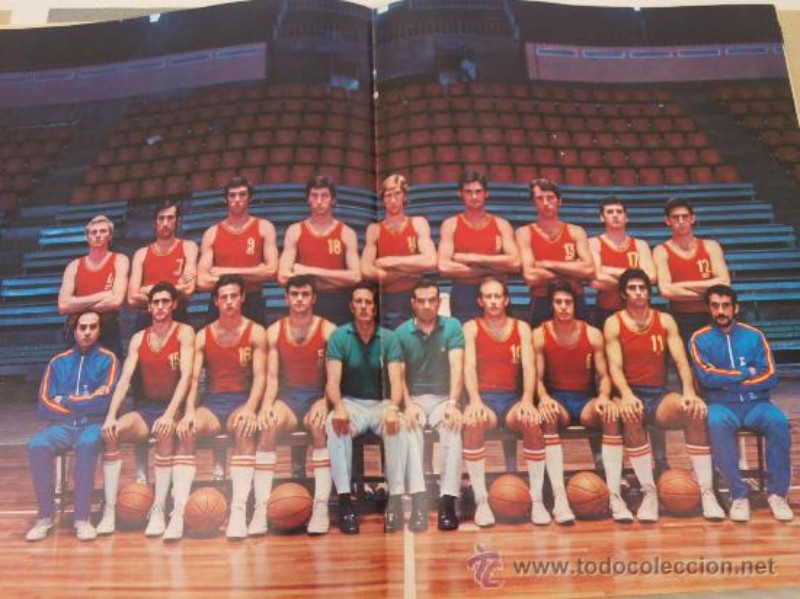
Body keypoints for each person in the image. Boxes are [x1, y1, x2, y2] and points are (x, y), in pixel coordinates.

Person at [604, 268, 725, 522]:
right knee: (632, 414)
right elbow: (614, 367)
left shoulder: (665, 320)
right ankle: (649, 492)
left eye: (642, 288)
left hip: (657, 394)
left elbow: (681, 361)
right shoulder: (614, 322)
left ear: (649, 293)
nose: (638, 293)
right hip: (628, 393)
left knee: (693, 410)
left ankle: (707, 491)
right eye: (632, 288)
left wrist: (689, 391)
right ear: (624, 294)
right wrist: (626, 395)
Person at [165, 274, 268, 541]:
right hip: (212, 404)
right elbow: (192, 378)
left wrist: (250, 408)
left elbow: (261, 377)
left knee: (244, 429)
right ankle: (178, 512)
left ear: (242, 298)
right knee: (186, 430)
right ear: (216, 302)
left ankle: (238, 511)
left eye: (234, 296)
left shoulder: (256, 332)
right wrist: (189, 411)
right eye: (224, 297)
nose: (229, 301)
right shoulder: (203, 335)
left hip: (241, 402)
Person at [688, 284, 793, 522]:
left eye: (726, 305)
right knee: (715, 424)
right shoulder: (699, 339)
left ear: (735, 308)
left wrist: (727, 381)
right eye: (715, 306)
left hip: (757, 404)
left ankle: (777, 495)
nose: (721, 311)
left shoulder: (754, 336)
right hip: (722, 405)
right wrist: (747, 372)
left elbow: (771, 375)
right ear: (708, 308)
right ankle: (738, 495)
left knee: (779, 422)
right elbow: (706, 378)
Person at [98, 283, 195, 536]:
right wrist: (111, 416)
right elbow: (124, 380)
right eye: (156, 302)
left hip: (173, 409)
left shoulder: (185, 332)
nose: (160, 307)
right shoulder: (139, 338)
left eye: (165, 302)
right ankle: (109, 510)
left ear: (174, 304)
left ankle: (159, 508)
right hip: (147, 409)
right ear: (149, 307)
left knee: (164, 432)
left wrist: (170, 415)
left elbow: (187, 376)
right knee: (112, 432)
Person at [533, 279, 633, 523]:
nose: (563, 307)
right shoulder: (539, 335)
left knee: (610, 414)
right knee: (548, 416)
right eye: (558, 302)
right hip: (557, 400)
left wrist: (604, 397)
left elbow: (604, 376)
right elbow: (536, 378)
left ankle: (614, 493)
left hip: (585, 399)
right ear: (551, 305)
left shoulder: (593, 334)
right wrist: (544, 398)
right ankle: (559, 496)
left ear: (575, 304)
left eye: (568, 302)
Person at [248, 275, 336, 536]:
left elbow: (333, 378)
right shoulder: (274, 331)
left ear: (313, 298)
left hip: (317, 397)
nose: (299, 299)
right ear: (286, 298)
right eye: (294, 294)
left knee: (319, 427)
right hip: (288, 399)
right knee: (268, 426)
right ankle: (261, 508)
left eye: (305, 294)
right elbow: (272, 378)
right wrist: (267, 405)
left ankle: (320, 506)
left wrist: (325, 402)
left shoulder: (329, 330)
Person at [462, 277, 553, 526]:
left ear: (506, 300)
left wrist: (527, 400)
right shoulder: (471, 328)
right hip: (485, 400)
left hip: (512, 399)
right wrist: (474, 401)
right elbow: (468, 368)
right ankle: (481, 500)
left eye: (497, 296)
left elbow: (530, 367)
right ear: (480, 301)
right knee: (473, 423)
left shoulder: (521, 327)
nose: (493, 301)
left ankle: (536, 499)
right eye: (488, 297)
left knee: (531, 421)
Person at [325, 282, 412, 534]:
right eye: (359, 302)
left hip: (381, 403)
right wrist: (338, 406)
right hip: (351, 402)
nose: (363, 306)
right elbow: (332, 382)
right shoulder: (339, 336)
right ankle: (346, 501)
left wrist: (394, 407)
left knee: (399, 425)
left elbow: (397, 381)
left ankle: (395, 500)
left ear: (375, 307)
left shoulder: (389, 337)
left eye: (368, 302)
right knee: (334, 425)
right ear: (351, 306)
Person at [26, 311, 120, 542]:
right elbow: (44, 405)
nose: (87, 332)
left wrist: (65, 399)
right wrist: (86, 403)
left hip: (92, 425)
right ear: (74, 331)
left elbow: (104, 402)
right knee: (37, 445)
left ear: (100, 330)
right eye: (82, 327)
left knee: (87, 444)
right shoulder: (58, 362)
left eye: (92, 327)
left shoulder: (109, 360)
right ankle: (44, 517)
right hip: (63, 426)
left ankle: (82, 519)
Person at [395, 279, 464, 531]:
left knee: (453, 429)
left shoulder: (452, 326)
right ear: (413, 303)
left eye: (431, 300)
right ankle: (418, 503)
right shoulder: (401, 332)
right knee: (409, 429)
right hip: (413, 399)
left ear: (438, 302)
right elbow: (398, 375)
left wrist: (453, 404)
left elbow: (457, 367)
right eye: (421, 301)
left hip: (443, 398)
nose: (426, 305)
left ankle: (447, 502)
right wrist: (408, 405)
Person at [278, 175, 361, 325]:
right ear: (308, 199)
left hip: (338, 304)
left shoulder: (347, 233)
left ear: (333, 199)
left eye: (324, 196)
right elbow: (283, 277)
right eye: (314, 195)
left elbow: (355, 277)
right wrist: (336, 280)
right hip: (305, 302)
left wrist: (309, 271)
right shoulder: (295, 231)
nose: (319, 201)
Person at [437, 170, 520, 322]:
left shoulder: (502, 224)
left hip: (495, 291)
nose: (474, 196)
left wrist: (471, 258)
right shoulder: (450, 224)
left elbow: (515, 263)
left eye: (478, 191)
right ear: (460, 194)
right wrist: (490, 270)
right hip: (464, 294)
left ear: (486, 194)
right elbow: (444, 267)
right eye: (468, 192)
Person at [197, 175, 278, 324]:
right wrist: (256, 272)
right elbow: (202, 281)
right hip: (221, 300)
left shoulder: (264, 227)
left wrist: (225, 272)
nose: (237, 199)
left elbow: (272, 271)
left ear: (249, 198)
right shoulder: (212, 233)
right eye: (232, 195)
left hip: (252, 299)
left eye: (242, 194)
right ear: (225, 199)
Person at [361, 174, 437, 329]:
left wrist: (391, 262)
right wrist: (409, 270)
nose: (393, 200)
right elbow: (366, 270)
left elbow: (431, 260)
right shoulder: (374, 229)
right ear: (383, 200)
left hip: (416, 298)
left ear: (404, 196)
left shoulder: (418, 223)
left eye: (397, 194)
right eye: (388, 195)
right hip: (386, 300)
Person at [516, 178, 594, 327]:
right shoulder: (524, 233)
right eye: (540, 198)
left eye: (550, 197)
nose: (546, 203)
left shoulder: (576, 231)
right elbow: (530, 277)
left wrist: (545, 264)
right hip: (541, 301)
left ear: (560, 201)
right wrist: (572, 269)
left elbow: (589, 270)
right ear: (533, 202)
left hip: (574, 299)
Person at [653, 197, 730, 343]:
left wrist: (679, 286)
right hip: (680, 318)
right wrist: (708, 294)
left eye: (685, 216)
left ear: (693, 219)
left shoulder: (711, 246)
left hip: (713, 316)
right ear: (667, 221)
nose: (681, 221)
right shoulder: (661, 250)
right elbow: (666, 290)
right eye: (676, 217)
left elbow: (724, 283)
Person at [57, 215, 129, 358]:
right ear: (87, 237)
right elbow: (63, 306)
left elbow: (116, 301)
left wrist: (77, 303)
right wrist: (104, 295)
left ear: (110, 236)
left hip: (107, 327)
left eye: (103, 231)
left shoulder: (120, 260)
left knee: (112, 369)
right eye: (93, 232)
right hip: (79, 326)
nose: (98, 235)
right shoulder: (74, 265)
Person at [127, 200, 199, 331]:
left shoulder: (188, 247)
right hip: (147, 318)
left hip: (178, 316)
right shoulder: (141, 254)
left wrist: (146, 289)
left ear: (177, 221)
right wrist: (176, 289)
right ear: (154, 223)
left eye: (170, 218)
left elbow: (188, 290)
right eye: (161, 218)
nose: (165, 223)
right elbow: (132, 298)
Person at [588, 196, 656, 327]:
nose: (615, 215)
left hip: (638, 312)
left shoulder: (640, 244)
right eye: (610, 212)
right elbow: (596, 280)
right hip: (606, 310)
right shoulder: (593, 243)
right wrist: (635, 278)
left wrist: (607, 270)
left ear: (626, 217)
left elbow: (651, 277)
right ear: (602, 217)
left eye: (619, 212)